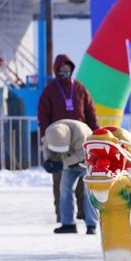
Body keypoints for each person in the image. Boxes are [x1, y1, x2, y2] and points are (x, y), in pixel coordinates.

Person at [38, 54, 99, 223]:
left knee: (83, 179)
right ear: (56, 70)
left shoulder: (80, 88)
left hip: (79, 139)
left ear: (71, 69)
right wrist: (46, 140)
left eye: (67, 68)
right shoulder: (49, 91)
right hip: (58, 140)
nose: (65, 71)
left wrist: (97, 134)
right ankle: (62, 215)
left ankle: (84, 214)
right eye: (61, 69)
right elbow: (43, 117)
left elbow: (90, 114)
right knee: (60, 178)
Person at [42, 119, 97, 234]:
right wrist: (48, 160)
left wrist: (62, 163)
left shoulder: (81, 133)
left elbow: (82, 155)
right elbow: (46, 148)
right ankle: (68, 223)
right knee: (64, 189)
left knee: (89, 191)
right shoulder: (50, 132)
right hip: (69, 161)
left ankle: (91, 224)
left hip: (88, 161)